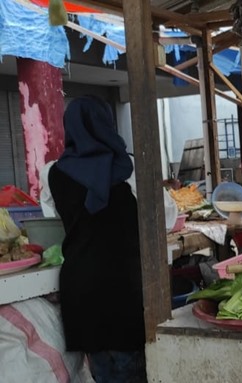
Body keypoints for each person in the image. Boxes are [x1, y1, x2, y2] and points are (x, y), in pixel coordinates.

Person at [48, 96, 147, 382]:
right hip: (121, 291)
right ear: (106, 123)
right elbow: (160, 215)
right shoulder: (124, 167)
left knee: (102, 374)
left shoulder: (55, 173)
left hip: (81, 291)